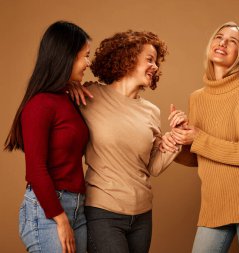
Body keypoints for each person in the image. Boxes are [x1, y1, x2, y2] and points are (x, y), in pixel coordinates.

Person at [161, 22, 239, 253]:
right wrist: (180, 141)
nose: (222, 43)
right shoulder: (196, 98)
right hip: (214, 203)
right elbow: (199, 157)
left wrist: (198, 137)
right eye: (219, 37)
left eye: (233, 41)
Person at [74, 30, 179, 253]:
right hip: (103, 211)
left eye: (156, 62)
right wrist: (69, 86)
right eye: (149, 60)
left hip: (142, 216)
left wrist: (175, 139)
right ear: (127, 58)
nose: (155, 67)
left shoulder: (151, 111)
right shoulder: (90, 95)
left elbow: (153, 167)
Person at [4, 21, 91, 253]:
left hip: (78, 208)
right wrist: (59, 218)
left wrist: (70, 87)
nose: (88, 63)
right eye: (85, 56)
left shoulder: (68, 100)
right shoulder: (40, 104)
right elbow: (35, 169)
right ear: (66, 57)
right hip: (48, 210)